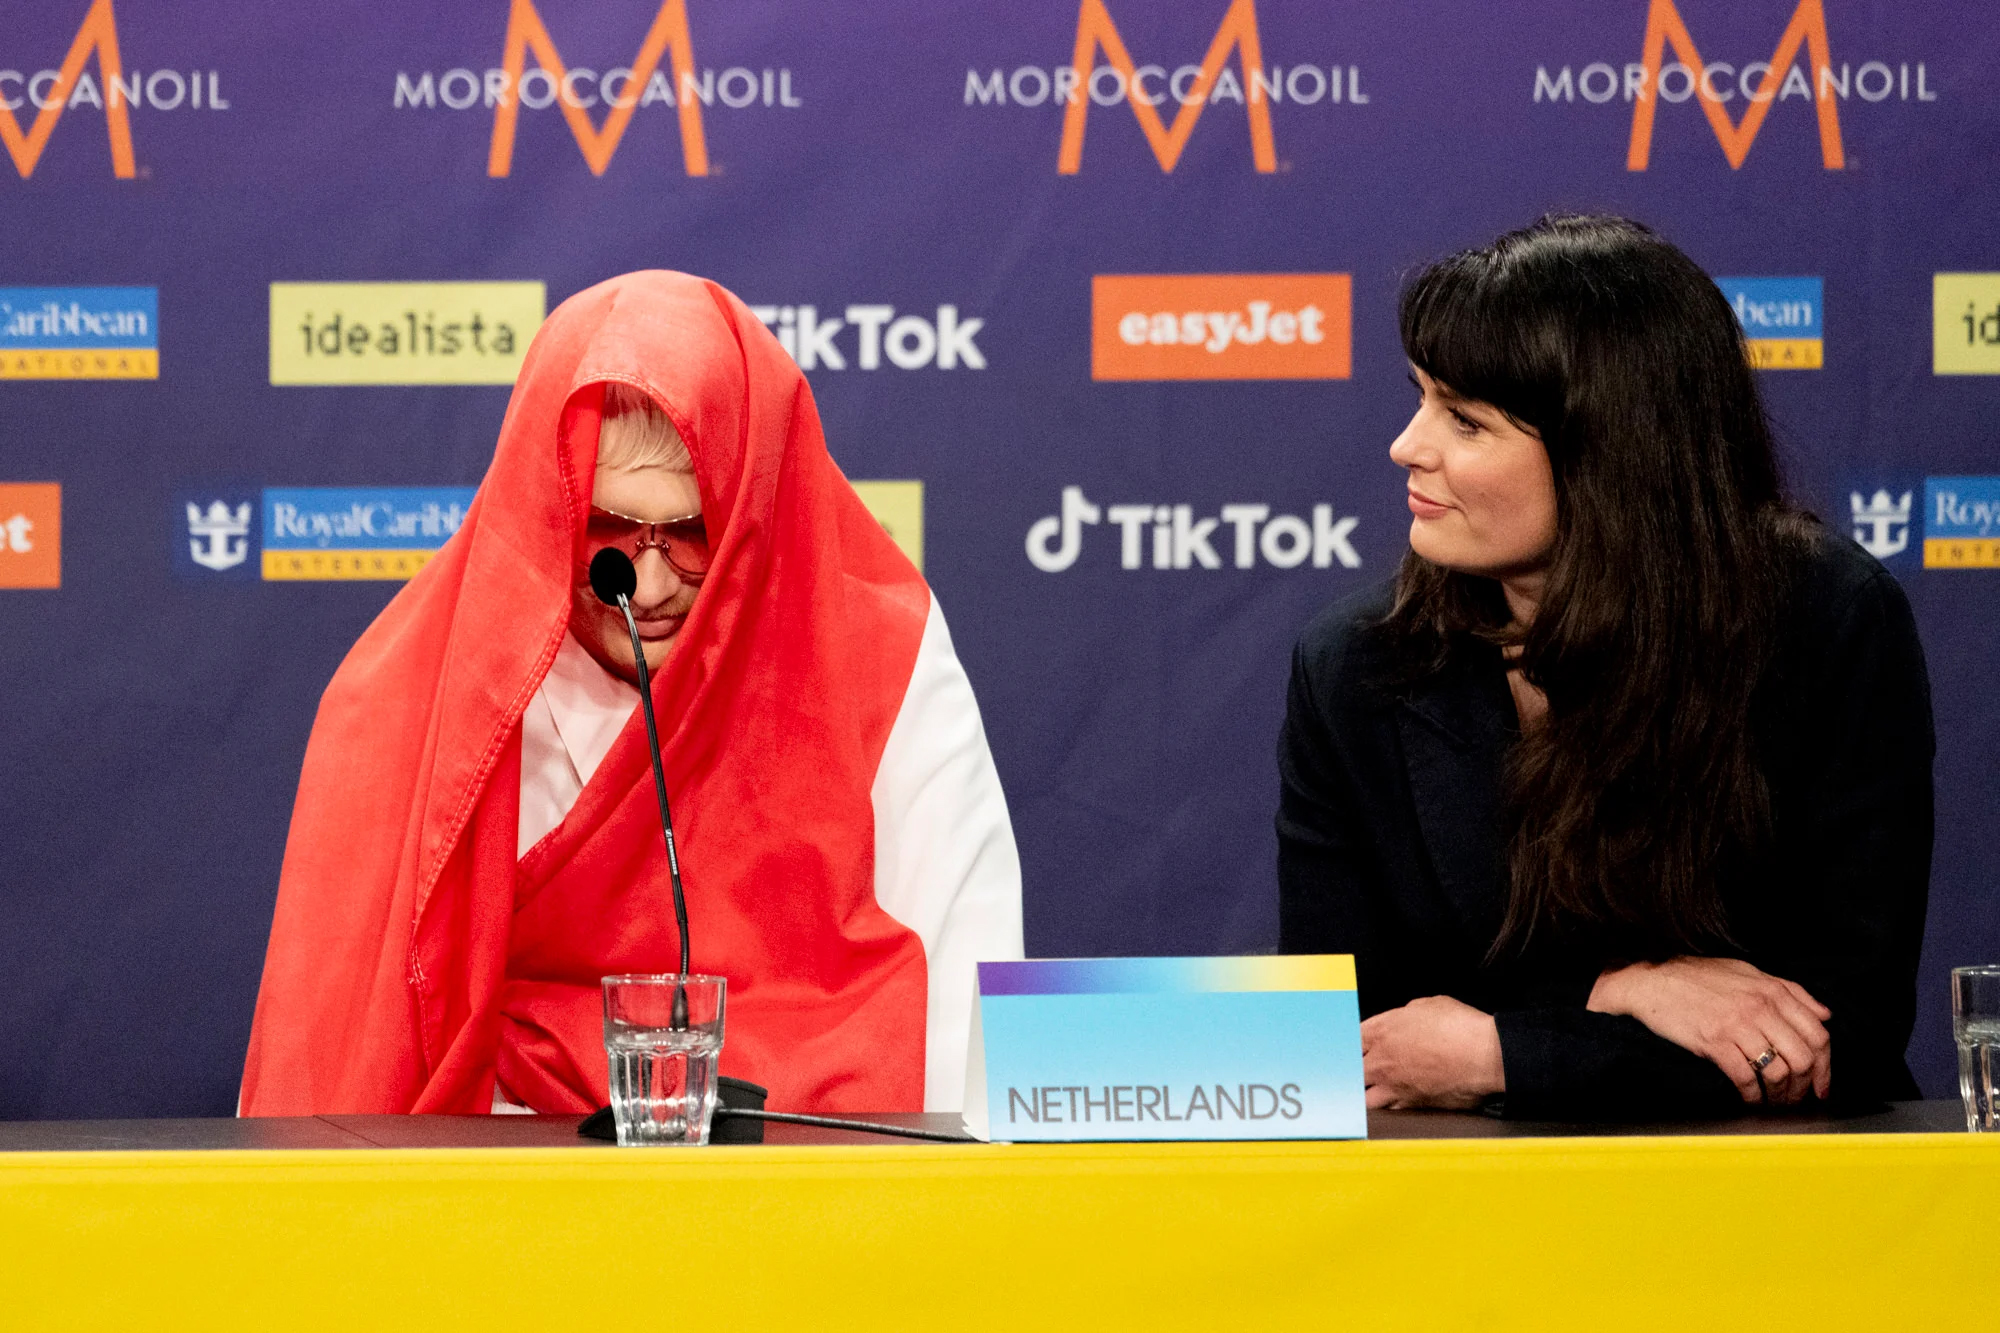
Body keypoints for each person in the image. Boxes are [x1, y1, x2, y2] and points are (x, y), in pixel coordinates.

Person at [241, 271, 1022, 1117]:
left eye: (690, 537)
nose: (646, 584)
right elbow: (332, 1066)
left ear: (754, 517)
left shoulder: (884, 659)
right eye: (607, 535)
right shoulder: (408, 691)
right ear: (545, 512)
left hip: (830, 1200)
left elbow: (967, 1034)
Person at [1277, 215, 1934, 1120]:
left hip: (1763, 1207)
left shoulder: (1825, 623)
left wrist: (1503, 1049)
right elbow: (1358, 1050)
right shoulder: (1357, 663)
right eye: (1423, 398)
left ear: (1609, 456)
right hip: (1455, 1220)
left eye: (1463, 420)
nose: (1408, 445)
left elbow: (1833, 1039)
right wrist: (1625, 992)